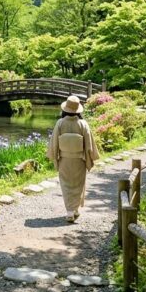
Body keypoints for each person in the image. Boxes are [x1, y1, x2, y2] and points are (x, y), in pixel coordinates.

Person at [46, 95, 100, 223]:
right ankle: (73, 210)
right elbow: (89, 144)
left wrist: (54, 156)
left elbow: (54, 142)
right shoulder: (83, 124)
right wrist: (90, 157)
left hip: (64, 159)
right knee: (78, 184)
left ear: (65, 109)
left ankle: (71, 211)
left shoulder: (60, 123)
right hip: (79, 159)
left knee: (66, 184)